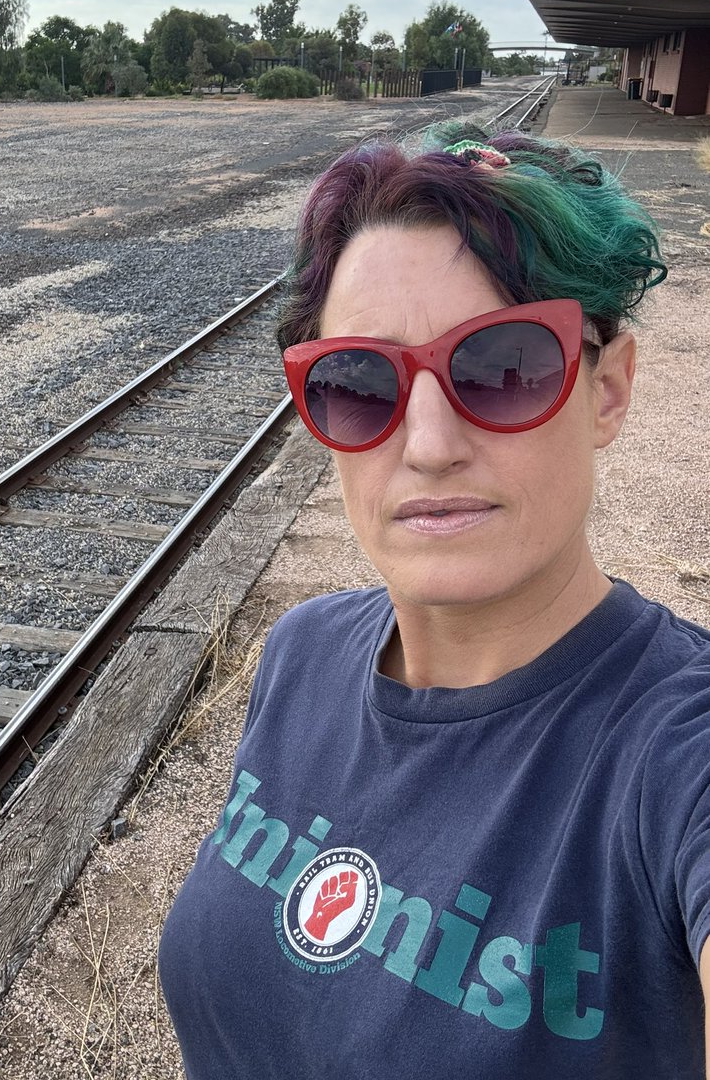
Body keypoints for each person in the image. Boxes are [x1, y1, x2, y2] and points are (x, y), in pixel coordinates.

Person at [158, 122, 710, 1077]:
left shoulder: (674, 751)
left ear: (606, 389)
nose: (427, 444)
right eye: (360, 382)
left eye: (504, 366)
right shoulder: (302, 652)